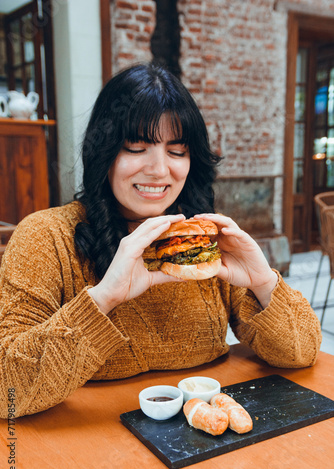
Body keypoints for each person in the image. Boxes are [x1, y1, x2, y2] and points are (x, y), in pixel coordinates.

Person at [0, 63, 321, 419]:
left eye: (177, 151)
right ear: (104, 152)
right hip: (90, 447)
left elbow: (301, 353)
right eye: (136, 147)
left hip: (202, 439)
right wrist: (104, 298)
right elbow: (7, 391)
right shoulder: (46, 237)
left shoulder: (199, 239)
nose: (158, 169)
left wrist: (264, 283)